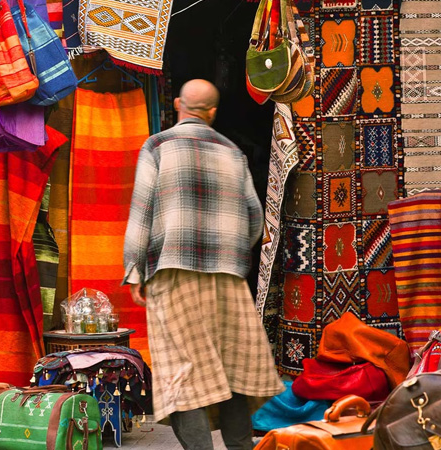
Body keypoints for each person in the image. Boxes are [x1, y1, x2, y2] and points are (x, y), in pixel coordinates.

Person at [122, 79, 283, 450]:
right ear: (212, 112)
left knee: (182, 371)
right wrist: (230, 252)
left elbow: (141, 210)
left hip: (174, 273)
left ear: (178, 104)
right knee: (233, 369)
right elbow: (255, 217)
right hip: (227, 275)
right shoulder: (232, 152)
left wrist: (135, 271)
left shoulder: (158, 145)